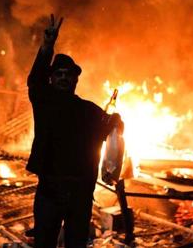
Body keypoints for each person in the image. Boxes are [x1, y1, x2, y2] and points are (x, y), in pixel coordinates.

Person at [27, 14, 123, 247]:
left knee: (76, 244)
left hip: (80, 193)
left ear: (74, 80)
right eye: (58, 74)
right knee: (44, 243)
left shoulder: (88, 110)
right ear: (51, 79)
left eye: (67, 75)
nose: (62, 78)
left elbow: (108, 129)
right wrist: (47, 46)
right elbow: (35, 79)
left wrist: (117, 122)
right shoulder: (44, 102)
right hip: (50, 189)